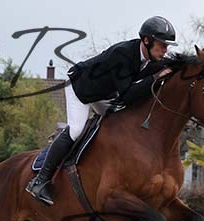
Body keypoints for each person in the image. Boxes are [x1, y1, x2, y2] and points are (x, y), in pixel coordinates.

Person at [26, 16, 177, 206]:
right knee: (76, 130)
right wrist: (155, 77)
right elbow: (127, 96)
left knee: (121, 125)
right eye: (162, 45)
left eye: (167, 46)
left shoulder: (149, 57)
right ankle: (40, 180)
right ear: (147, 40)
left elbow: (168, 68)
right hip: (80, 88)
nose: (165, 50)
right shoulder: (123, 54)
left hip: (103, 94)